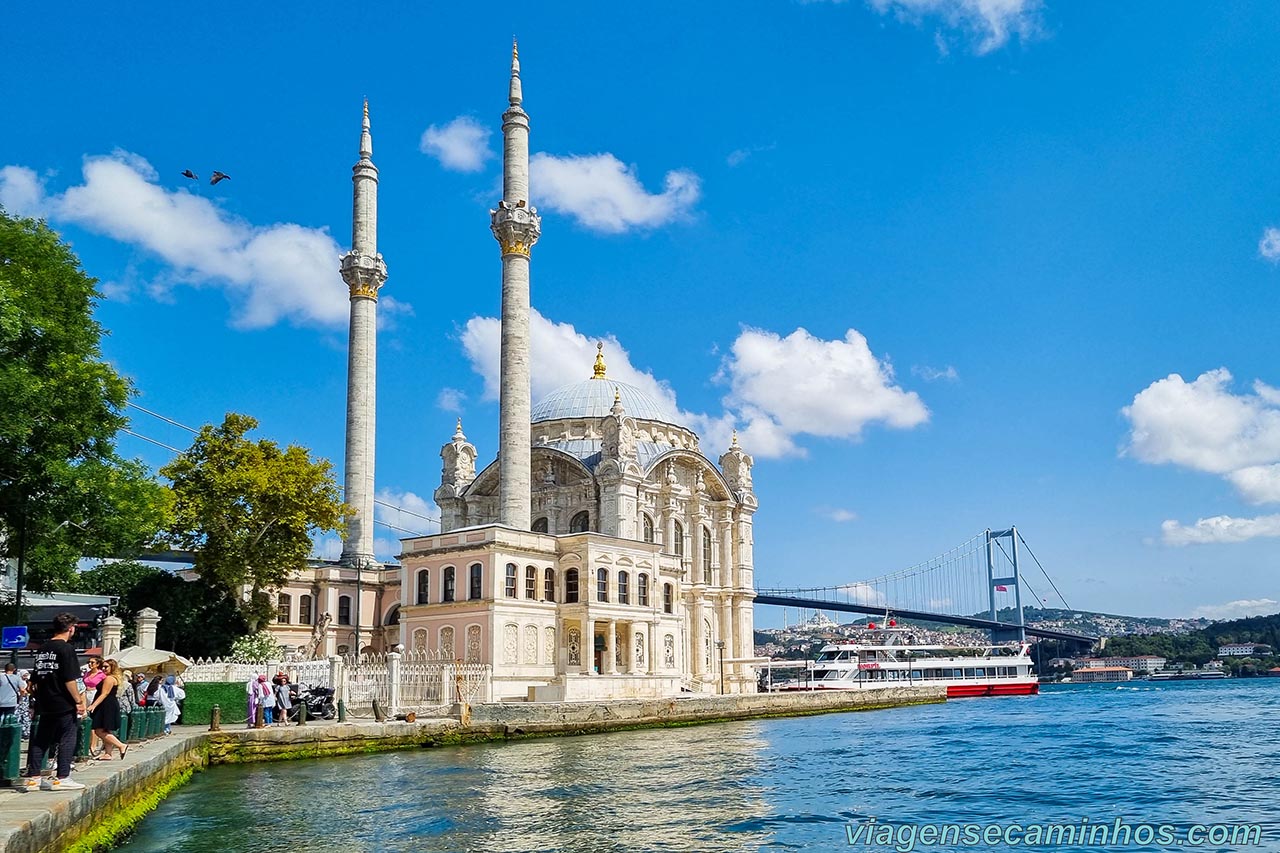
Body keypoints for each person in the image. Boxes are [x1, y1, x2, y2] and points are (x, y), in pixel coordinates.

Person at [18, 613, 86, 792]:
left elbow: (34, 678)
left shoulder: (43, 648)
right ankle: (63, 777)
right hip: (62, 700)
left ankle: (34, 778)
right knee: (67, 736)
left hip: (44, 700)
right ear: (70, 628)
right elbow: (69, 679)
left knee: (41, 738)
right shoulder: (66, 649)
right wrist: (78, 701)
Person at [86, 659, 128, 760]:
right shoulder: (112, 678)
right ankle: (108, 753)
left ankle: (121, 745)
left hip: (106, 705)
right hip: (108, 704)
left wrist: (93, 705)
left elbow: (104, 693)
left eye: (106, 667)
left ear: (112, 668)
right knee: (106, 729)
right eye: (103, 667)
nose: (103, 669)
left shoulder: (109, 678)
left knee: (99, 731)